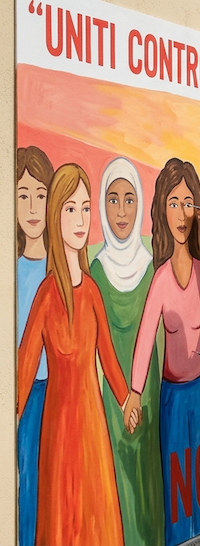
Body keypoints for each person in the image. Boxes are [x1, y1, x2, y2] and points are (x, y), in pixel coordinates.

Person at [18, 163, 133, 546]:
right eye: (70, 209)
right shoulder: (48, 295)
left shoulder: (93, 292)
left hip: (92, 424)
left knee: (96, 518)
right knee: (61, 521)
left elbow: (108, 359)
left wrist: (126, 399)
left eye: (85, 208)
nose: (81, 218)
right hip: (58, 428)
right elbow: (24, 367)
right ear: (55, 216)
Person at [126, 158, 200, 546]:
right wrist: (135, 392)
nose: (182, 212)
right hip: (171, 397)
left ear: (198, 210)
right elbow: (144, 338)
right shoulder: (161, 279)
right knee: (175, 489)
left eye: (189, 202)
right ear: (162, 210)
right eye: (173, 202)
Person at [90, 157, 164, 545]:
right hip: (111, 397)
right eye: (113, 199)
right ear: (102, 204)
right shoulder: (96, 270)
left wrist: (144, 394)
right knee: (117, 483)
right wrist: (121, 396)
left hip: (148, 395)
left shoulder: (151, 267)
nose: (121, 210)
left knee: (147, 484)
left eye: (130, 199)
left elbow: (159, 344)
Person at [15, 145, 52, 546]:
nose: (31, 206)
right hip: (25, 396)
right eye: (22, 195)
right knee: (29, 487)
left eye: (40, 195)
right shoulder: (13, 271)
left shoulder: (60, 270)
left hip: (59, 392)